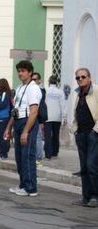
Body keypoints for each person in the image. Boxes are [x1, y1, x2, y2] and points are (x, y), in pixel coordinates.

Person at [4, 60, 41, 197]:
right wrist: (8, 127)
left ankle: (31, 187)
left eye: (23, 71)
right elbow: (16, 109)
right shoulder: (19, 88)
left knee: (27, 156)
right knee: (19, 156)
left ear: (30, 72)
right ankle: (23, 184)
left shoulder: (33, 88)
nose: (20, 73)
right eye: (19, 71)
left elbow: (34, 112)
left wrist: (26, 131)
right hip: (18, 120)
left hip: (28, 122)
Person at [71, 68, 98, 208]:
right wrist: (75, 130)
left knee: (91, 164)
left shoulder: (96, 91)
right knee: (84, 167)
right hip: (81, 134)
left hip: (93, 134)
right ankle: (86, 197)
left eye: (83, 77)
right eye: (78, 78)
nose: (80, 79)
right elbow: (76, 112)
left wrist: (95, 131)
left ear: (89, 77)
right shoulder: (79, 93)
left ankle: (95, 196)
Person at [44, 75, 67, 160]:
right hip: (57, 117)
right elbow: (63, 105)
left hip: (47, 117)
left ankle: (48, 155)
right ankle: (55, 153)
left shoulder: (45, 91)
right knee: (56, 135)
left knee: (47, 136)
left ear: (49, 82)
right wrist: (64, 117)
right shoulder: (60, 92)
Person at [32, 72, 45, 166]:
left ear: (39, 80)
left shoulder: (40, 89)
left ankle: (39, 158)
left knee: (37, 137)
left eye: (35, 79)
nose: (33, 81)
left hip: (36, 115)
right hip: (32, 115)